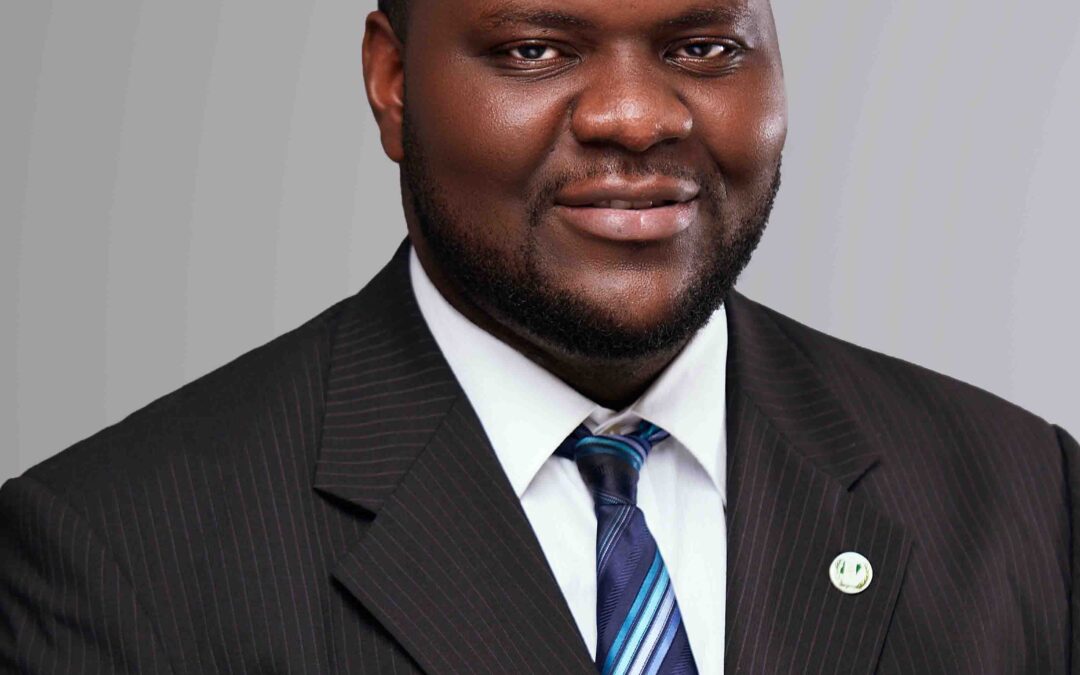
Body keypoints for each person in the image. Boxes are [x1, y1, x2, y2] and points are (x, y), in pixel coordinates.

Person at [1, 0, 1076, 672]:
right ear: (392, 84)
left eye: (704, 46)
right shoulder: (115, 555)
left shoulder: (1026, 496)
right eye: (534, 50)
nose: (636, 117)